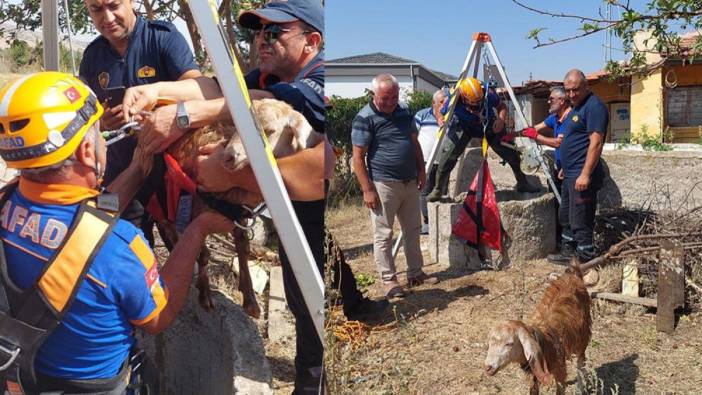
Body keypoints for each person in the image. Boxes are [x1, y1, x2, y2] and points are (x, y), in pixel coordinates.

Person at [120, 0, 386, 391]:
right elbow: (219, 86)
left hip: (307, 202)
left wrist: (184, 117)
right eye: (257, 32)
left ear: (311, 41)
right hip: (296, 206)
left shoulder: (316, 80)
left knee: (306, 299)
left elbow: (261, 105)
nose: (262, 40)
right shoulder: (271, 72)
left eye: (274, 33)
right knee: (322, 259)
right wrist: (154, 90)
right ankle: (356, 305)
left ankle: (310, 385)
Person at [0, 72, 232, 393]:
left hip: (18, 375)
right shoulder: (120, 247)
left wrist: (137, 169)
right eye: (100, 133)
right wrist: (198, 229)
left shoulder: (5, 202)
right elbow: (159, 318)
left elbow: (85, 223)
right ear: (85, 151)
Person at [79, 0, 202, 245]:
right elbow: (82, 117)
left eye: (114, 6)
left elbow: (202, 89)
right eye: (97, 10)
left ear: (132, 2)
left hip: (170, 174)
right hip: (122, 173)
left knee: (184, 246)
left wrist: (156, 94)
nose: (108, 17)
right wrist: (101, 122)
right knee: (123, 244)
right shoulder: (93, 55)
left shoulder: (162, 37)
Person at [351, 73, 439, 299]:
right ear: (374, 95)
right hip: (383, 185)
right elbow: (358, 157)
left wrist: (421, 169)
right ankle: (389, 281)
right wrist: (367, 189)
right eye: (385, 98)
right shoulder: (365, 118)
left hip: (409, 182)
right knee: (384, 234)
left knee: (413, 230)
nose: (391, 102)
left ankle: (415, 273)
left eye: (394, 97)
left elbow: (414, 142)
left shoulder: (403, 111)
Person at [426, 77, 539, 202]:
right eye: (472, 104)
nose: (476, 106)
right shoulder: (453, 99)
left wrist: (500, 120)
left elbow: (502, 106)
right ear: (463, 98)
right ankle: (437, 189)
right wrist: (440, 118)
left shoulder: (488, 94)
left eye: (478, 102)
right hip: (464, 126)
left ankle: (522, 182)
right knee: (448, 154)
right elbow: (437, 111)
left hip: (487, 123)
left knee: (509, 150)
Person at [546, 70, 608, 263]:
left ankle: (585, 260)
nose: (572, 95)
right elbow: (575, 140)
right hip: (570, 173)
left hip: (582, 175)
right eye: (568, 91)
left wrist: (585, 174)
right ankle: (568, 254)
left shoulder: (594, 107)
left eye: (576, 90)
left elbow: (596, 143)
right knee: (566, 216)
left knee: (581, 219)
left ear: (586, 86)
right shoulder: (576, 107)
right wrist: (566, 165)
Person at [521, 86, 571, 247]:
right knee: (556, 206)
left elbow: (558, 142)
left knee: (567, 209)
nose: (548, 101)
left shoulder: (570, 119)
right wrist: (514, 134)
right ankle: (557, 240)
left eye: (552, 99)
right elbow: (535, 128)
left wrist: (537, 137)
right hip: (558, 169)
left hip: (570, 171)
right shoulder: (555, 118)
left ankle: (568, 243)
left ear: (562, 101)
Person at [415, 89, 450, 234]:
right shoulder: (422, 115)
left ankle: (441, 220)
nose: (444, 105)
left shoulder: (450, 116)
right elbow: (413, 135)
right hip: (424, 161)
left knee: (441, 190)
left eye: (446, 102)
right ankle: (428, 221)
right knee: (424, 191)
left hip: (442, 161)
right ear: (433, 103)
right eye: (441, 102)